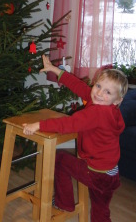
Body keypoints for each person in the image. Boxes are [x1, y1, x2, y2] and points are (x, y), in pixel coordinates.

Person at [22, 55, 128, 222]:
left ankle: (65, 203)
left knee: (60, 160)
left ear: (118, 100)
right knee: (100, 212)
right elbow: (78, 85)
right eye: (98, 86)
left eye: (107, 92)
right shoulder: (104, 105)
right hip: (110, 173)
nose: (99, 93)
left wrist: (38, 125)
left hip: (97, 173)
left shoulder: (98, 112)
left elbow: (69, 124)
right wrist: (55, 69)